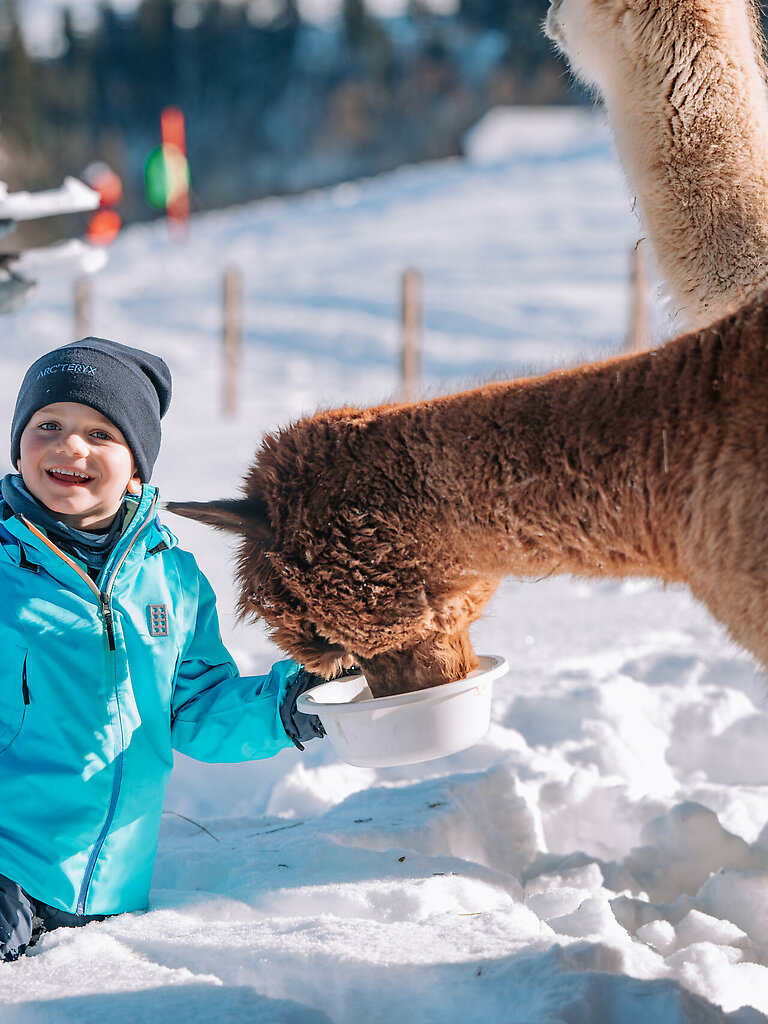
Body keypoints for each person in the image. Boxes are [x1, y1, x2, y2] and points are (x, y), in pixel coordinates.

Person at [0, 337, 325, 962]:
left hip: (108, 894)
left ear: (137, 467)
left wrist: (293, 703)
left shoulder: (172, 578)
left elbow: (196, 709)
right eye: (48, 425)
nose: (70, 446)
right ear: (19, 445)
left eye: (100, 433)